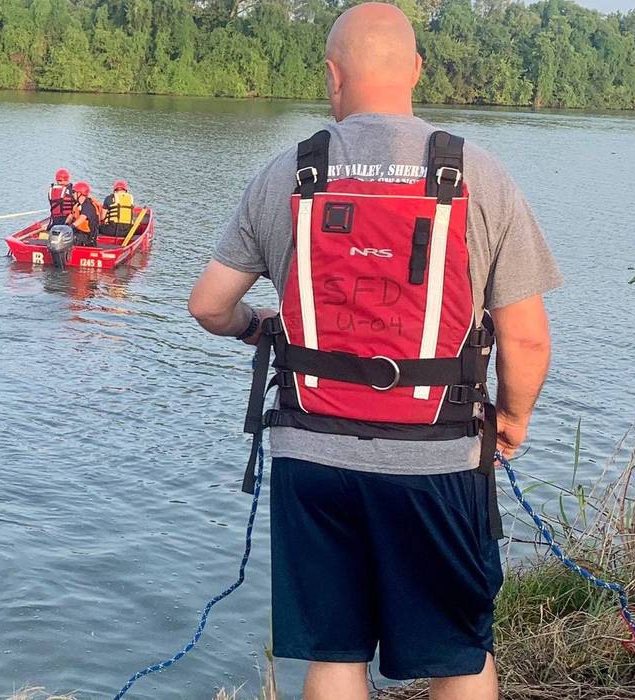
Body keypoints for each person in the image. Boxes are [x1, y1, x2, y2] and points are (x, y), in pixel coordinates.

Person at [187, 4, 561, 700]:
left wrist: (253, 327)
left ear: (332, 77)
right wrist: (512, 419)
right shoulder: (480, 175)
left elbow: (207, 305)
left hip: (313, 456)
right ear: (416, 70)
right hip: (439, 455)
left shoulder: (286, 174)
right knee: (458, 654)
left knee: (335, 654)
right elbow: (526, 337)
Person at [67, 181, 104, 246]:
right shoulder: (77, 205)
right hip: (78, 232)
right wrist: (65, 225)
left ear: (80, 193)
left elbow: (82, 218)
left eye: (74, 192)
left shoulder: (88, 206)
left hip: (87, 237)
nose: (72, 194)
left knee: (69, 239)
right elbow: (70, 216)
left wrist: (71, 226)